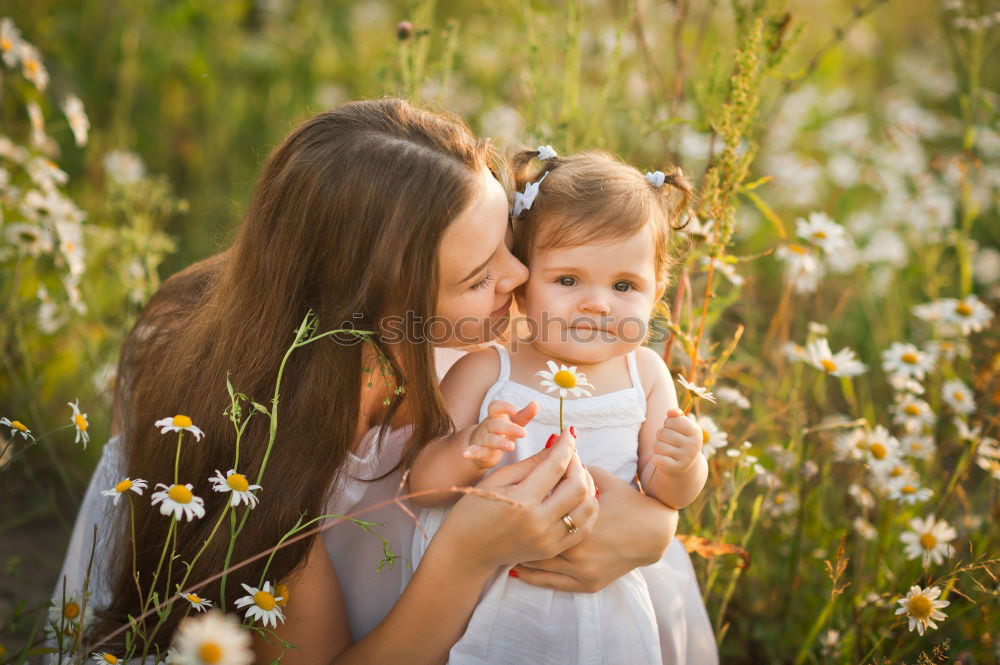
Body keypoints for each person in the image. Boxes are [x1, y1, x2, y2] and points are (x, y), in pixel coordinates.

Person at [55, 98, 679, 664]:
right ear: (375, 311)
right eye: (478, 277)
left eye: (507, 243)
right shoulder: (261, 459)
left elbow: (621, 454)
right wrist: (466, 555)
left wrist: (654, 531)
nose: (521, 276)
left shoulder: (472, 347)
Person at [407, 149, 718, 664]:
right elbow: (425, 485)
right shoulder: (490, 368)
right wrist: (471, 449)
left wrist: (686, 464)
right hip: (493, 588)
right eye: (568, 280)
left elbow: (666, 494)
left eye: (624, 286)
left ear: (656, 295)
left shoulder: (644, 375)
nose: (597, 303)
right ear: (523, 288)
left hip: (600, 596)